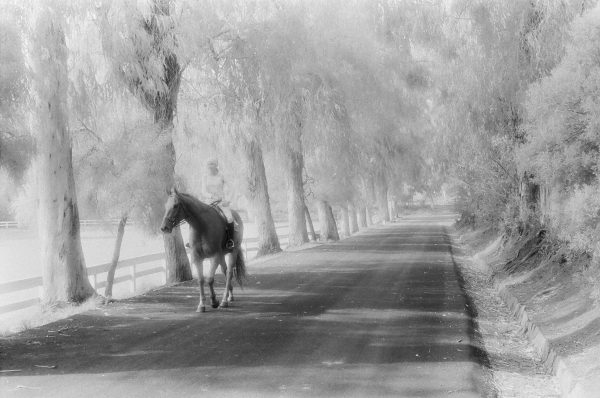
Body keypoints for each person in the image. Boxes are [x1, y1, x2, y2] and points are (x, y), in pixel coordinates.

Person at [202, 158, 237, 249]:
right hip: (209, 202)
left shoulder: (222, 176)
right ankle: (195, 240)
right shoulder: (205, 177)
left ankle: (230, 240)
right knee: (198, 215)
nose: (209, 168)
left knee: (229, 218)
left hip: (221, 202)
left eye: (212, 165)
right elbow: (203, 191)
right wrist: (211, 196)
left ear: (216, 166)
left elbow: (232, 188)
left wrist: (228, 200)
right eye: (208, 166)